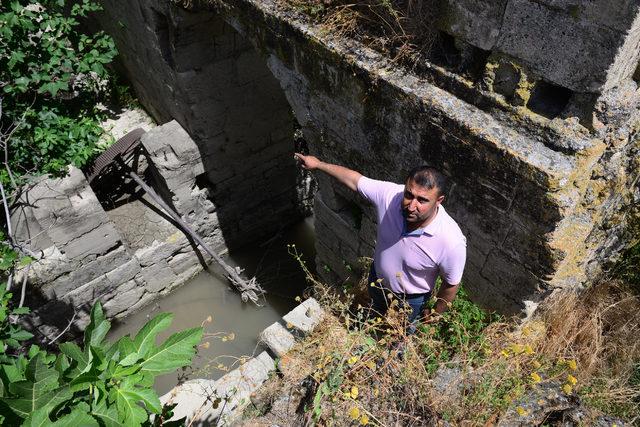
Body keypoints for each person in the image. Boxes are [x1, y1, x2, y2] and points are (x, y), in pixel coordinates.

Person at [294, 153, 466, 325]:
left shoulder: (450, 241)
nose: (412, 206)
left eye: (422, 200)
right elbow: (355, 180)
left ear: (439, 201)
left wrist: (436, 312)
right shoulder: (391, 195)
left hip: (410, 300)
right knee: (375, 313)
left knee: (400, 335)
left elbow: (450, 284)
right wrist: (318, 164)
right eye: (409, 195)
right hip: (377, 281)